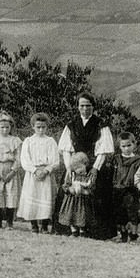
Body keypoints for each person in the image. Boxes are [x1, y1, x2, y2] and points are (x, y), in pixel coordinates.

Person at [58, 92, 115, 237]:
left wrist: (96, 168)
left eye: (88, 106)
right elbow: (66, 149)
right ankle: (70, 228)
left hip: (94, 165)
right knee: (69, 195)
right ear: (78, 107)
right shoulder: (71, 125)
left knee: (95, 194)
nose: (85, 109)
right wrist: (69, 167)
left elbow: (103, 150)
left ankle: (91, 231)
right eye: (82, 106)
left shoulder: (101, 124)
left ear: (93, 107)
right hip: (74, 166)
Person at [18, 112, 61, 234]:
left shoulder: (50, 141)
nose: (41, 130)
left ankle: (44, 225)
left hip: (46, 174)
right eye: (38, 127)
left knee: (45, 197)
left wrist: (46, 170)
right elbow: (24, 159)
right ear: (33, 126)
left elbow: (55, 160)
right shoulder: (28, 141)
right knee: (33, 197)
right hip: (33, 174)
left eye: (43, 127)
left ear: (47, 126)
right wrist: (35, 170)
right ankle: (34, 225)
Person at [110, 132, 140, 243]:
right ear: (119, 147)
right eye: (123, 146)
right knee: (119, 212)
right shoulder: (116, 159)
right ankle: (123, 235)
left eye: (129, 145)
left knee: (132, 212)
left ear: (134, 144)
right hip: (118, 188)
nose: (126, 149)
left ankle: (133, 235)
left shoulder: (138, 161)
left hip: (131, 190)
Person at [58, 152, 96, 237]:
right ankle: (74, 231)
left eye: (79, 167)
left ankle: (82, 231)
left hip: (83, 200)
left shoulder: (89, 176)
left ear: (85, 164)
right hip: (72, 199)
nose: (78, 170)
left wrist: (86, 191)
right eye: (75, 168)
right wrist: (69, 189)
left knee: (82, 215)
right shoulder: (72, 175)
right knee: (71, 214)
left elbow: (92, 188)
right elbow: (65, 185)